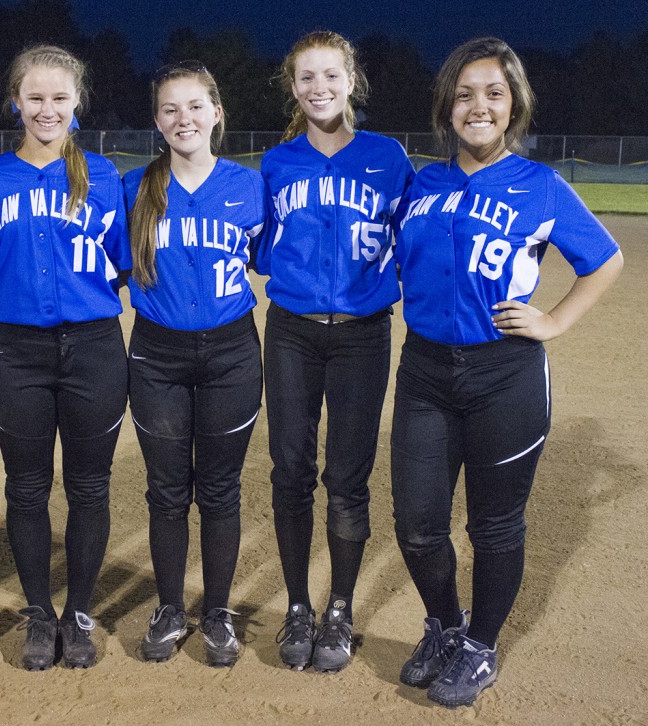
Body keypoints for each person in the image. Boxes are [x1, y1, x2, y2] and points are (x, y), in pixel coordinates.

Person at [391, 37, 623, 708]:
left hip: (505, 375)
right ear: (447, 108)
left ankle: (480, 646)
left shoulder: (540, 184)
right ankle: (444, 625)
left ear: (514, 103)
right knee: (418, 523)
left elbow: (604, 261)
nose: (479, 106)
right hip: (426, 372)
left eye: (494, 93)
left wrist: (552, 322)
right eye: (464, 94)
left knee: (494, 525)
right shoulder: (422, 183)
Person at [0, 45, 131, 671]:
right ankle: (40, 612)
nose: (46, 108)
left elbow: (117, 262)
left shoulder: (105, 176)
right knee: (28, 488)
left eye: (59, 97)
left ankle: (79, 612)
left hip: (93, 347)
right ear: (16, 101)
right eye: (34, 97)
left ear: (77, 103)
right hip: (18, 351)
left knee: (90, 486)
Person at [256, 31, 414, 672]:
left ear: (351, 81)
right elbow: (259, 245)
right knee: (290, 470)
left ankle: (340, 609)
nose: (318, 87)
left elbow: (416, 238)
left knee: (347, 477)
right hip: (291, 328)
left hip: (361, 334)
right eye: (305, 77)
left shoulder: (388, 156)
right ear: (292, 88)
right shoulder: (277, 162)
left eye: (330, 75)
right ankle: (298, 606)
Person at [122, 61, 265, 667]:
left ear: (216, 113)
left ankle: (218, 611)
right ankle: (171, 607)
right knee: (165, 491)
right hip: (157, 354)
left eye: (195, 107)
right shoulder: (133, 188)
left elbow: (268, 258)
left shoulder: (250, 186)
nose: (184, 119)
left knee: (221, 489)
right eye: (170, 109)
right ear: (157, 120)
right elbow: (110, 262)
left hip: (233, 352)